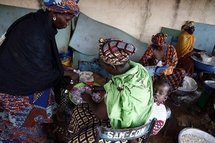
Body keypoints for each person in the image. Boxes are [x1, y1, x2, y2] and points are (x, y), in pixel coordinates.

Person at [0, 0, 79, 142]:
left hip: (12, 75)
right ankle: (24, 133)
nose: (67, 24)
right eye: (66, 19)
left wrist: (61, 69)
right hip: (13, 85)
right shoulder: (37, 33)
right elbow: (37, 73)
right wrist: (63, 72)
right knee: (27, 125)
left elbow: (38, 60)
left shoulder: (37, 20)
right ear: (54, 13)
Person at [67, 38, 154, 143]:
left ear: (113, 66)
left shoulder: (117, 89)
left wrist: (88, 98)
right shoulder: (140, 70)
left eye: (102, 65)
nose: (102, 68)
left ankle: (75, 134)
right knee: (82, 111)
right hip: (141, 125)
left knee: (79, 115)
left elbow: (100, 114)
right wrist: (105, 88)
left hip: (123, 134)